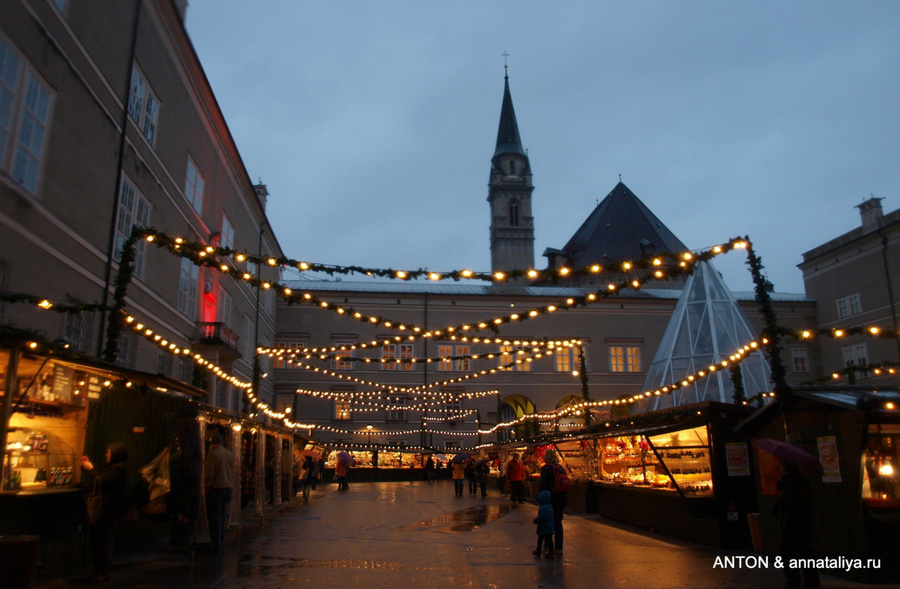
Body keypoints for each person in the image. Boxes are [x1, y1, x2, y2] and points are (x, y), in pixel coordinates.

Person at [81, 442, 128, 582]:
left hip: (107, 511)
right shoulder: (112, 467)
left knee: (102, 541)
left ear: (116, 453)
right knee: (98, 541)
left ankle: (102, 571)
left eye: (109, 452)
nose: (106, 455)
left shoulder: (118, 469)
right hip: (104, 511)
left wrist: (90, 469)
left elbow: (100, 482)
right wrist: (86, 467)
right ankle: (99, 570)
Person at [773, 459, 820, 589]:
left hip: (792, 526)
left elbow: (782, 508)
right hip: (804, 526)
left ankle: (794, 583)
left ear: (784, 469)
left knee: (787, 554)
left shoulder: (789, 485)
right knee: (805, 554)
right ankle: (811, 584)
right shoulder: (802, 483)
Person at [204, 432, 235, 554]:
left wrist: (207, 486)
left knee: (214, 517)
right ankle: (221, 542)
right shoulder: (229, 454)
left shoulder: (213, 455)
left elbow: (209, 474)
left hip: (216, 489)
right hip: (227, 488)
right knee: (222, 516)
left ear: (213, 443)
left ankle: (216, 544)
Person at [539, 449, 568, 554]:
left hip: (550, 499)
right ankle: (559, 548)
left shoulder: (546, 469)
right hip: (561, 499)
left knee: (548, 523)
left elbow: (543, 485)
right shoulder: (561, 468)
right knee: (558, 523)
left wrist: (540, 497)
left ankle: (547, 546)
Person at [533, 490, 555, 559]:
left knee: (540, 540)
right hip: (549, 526)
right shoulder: (550, 506)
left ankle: (538, 551)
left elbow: (541, 517)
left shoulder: (542, 508)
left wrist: (536, 521)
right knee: (549, 540)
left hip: (543, 527)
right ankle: (551, 552)